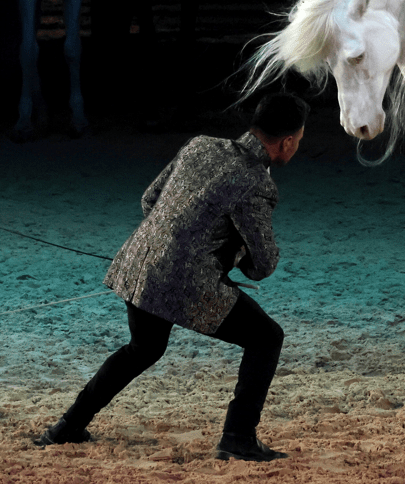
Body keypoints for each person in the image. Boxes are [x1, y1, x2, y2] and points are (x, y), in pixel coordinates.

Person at [34, 93, 307, 462]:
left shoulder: (200, 145)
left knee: (143, 349)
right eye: (300, 140)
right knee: (266, 338)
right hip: (184, 283)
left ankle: (67, 426)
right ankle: (238, 436)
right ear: (287, 141)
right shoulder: (256, 182)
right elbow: (263, 265)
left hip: (139, 263)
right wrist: (228, 256)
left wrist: (177, 243)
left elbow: (150, 200)